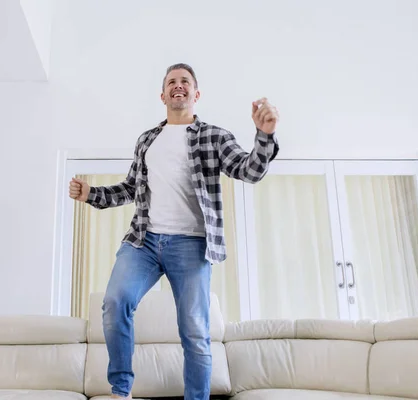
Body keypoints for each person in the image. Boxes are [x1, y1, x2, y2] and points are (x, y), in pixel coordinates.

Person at [68, 63, 279, 400]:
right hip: (144, 242)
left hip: (192, 245)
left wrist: (264, 136)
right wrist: (91, 194)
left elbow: (248, 171)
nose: (178, 86)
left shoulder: (214, 136)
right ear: (162, 94)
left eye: (185, 82)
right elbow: (130, 189)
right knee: (114, 301)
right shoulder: (147, 140)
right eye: (171, 82)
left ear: (196, 94)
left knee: (194, 331)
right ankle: (120, 391)